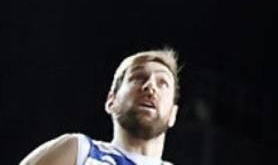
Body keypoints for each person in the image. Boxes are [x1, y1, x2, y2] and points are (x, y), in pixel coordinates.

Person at [19, 49, 181, 165]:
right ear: (112, 100)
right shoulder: (78, 151)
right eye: (138, 77)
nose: (150, 86)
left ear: (173, 114)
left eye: (163, 83)